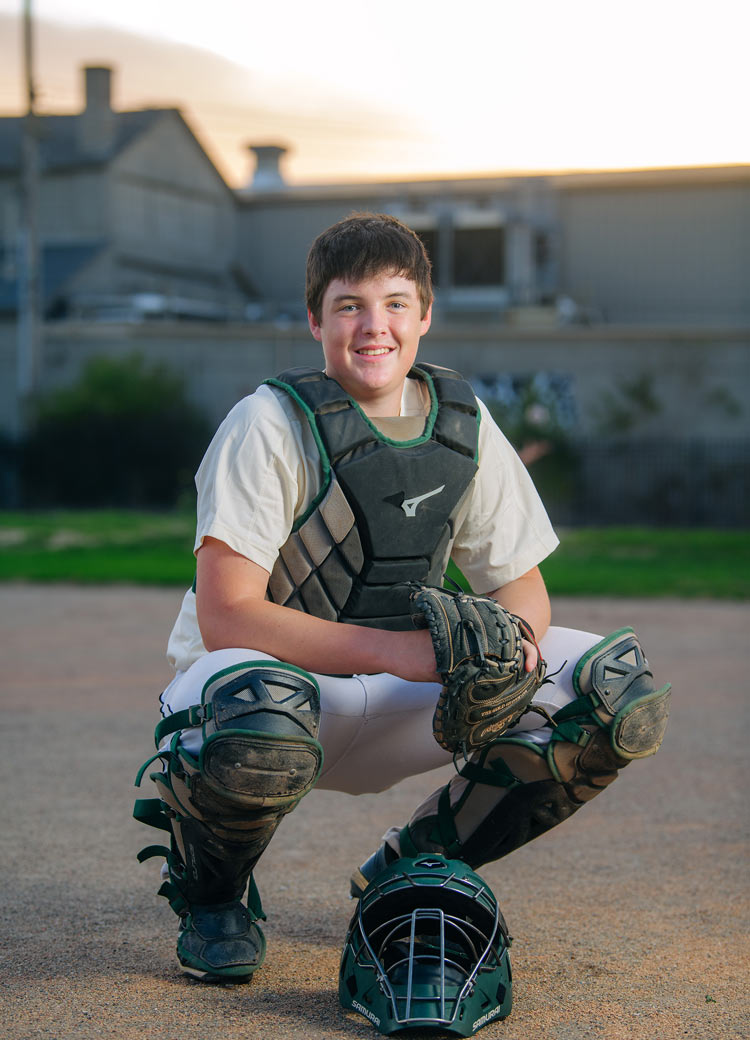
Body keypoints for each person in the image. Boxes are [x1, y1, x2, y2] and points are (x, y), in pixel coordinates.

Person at [134, 212, 670, 989]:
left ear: (425, 315)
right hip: (267, 701)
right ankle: (214, 894)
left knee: (612, 694)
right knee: (258, 702)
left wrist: (512, 649)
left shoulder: (463, 422)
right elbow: (229, 616)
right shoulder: (267, 422)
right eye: (349, 304)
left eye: (394, 302)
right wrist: (405, 652)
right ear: (315, 319)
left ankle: (419, 863)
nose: (373, 325)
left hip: (409, 699)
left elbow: (520, 582)